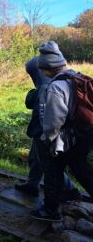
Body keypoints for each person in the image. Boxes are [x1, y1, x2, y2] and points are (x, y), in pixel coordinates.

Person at [31, 41, 93, 222]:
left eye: (42, 69)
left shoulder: (55, 87)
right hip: (85, 133)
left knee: (52, 168)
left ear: (47, 68)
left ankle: (50, 211)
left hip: (69, 137)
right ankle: (67, 195)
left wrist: (47, 139)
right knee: (80, 168)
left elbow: (52, 123)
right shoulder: (77, 77)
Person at [15, 57, 79, 198]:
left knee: (49, 166)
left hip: (46, 134)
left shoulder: (46, 88)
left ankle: (69, 190)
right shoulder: (60, 82)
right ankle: (32, 185)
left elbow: (30, 101)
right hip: (50, 131)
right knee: (35, 159)